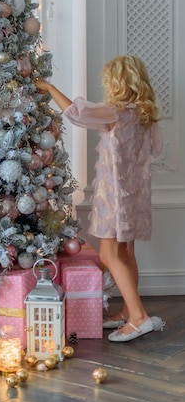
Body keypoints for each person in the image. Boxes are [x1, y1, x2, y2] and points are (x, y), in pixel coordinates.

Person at [36, 55, 164, 342]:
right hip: (135, 195)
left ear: (118, 83)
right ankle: (131, 312)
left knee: (108, 254)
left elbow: (76, 112)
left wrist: (49, 88)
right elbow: (154, 150)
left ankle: (139, 317)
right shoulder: (145, 116)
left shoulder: (116, 112)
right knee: (126, 253)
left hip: (114, 196)